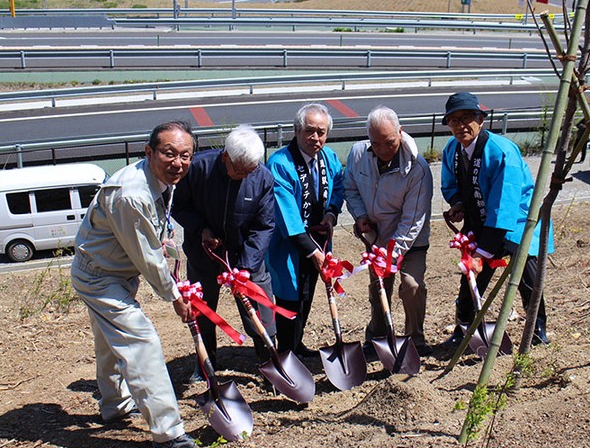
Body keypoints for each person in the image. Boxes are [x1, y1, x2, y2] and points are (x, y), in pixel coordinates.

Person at [71, 121, 197, 448]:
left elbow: (155, 239)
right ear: (149, 152)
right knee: (141, 341)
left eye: (185, 155)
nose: (178, 163)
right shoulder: (131, 195)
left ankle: (114, 406)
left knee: (109, 342)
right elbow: (147, 258)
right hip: (98, 277)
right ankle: (168, 431)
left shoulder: (159, 180)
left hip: (113, 272)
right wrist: (174, 296)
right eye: (169, 153)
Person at [440, 92, 554, 347]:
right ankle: (464, 329)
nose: (460, 126)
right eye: (453, 120)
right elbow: (449, 185)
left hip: (517, 222)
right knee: (470, 277)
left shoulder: (502, 152)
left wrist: (485, 251)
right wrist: (457, 204)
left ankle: (537, 330)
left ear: (481, 120)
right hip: (479, 221)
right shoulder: (452, 150)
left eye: (466, 118)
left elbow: (506, 205)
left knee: (527, 278)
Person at [172, 125, 276, 380]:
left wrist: (246, 266)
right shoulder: (197, 169)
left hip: (246, 256)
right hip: (204, 255)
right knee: (204, 310)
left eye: (248, 171)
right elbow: (178, 204)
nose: (243, 176)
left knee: (261, 310)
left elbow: (264, 226)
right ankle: (206, 362)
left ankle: (269, 362)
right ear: (224, 157)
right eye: (237, 170)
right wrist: (201, 229)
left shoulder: (262, 177)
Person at [343, 106, 434, 356]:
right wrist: (361, 216)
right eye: (377, 144)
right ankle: (378, 337)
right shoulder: (358, 154)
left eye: (389, 142)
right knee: (379, 287)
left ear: (400, 133)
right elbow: (350, 188)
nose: (383, 150)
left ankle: (415, 339)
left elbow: (413, 220)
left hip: (410, 241)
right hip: (376, 236)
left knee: (412, 286)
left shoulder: (418, 169)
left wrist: (391, 254)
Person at [266, 103, 344, 359]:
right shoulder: (280, 163)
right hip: (290, 244)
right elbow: (286, 214)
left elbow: (339, 185)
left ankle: (296, 343)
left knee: (308, 293)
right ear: (296, 130)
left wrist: (332, 213)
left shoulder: (329, 158)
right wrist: (313, 251)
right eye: (309, 131)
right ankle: (286, 350)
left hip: (320, 239)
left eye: (321, 132)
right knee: (290, 297)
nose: (316, 138)